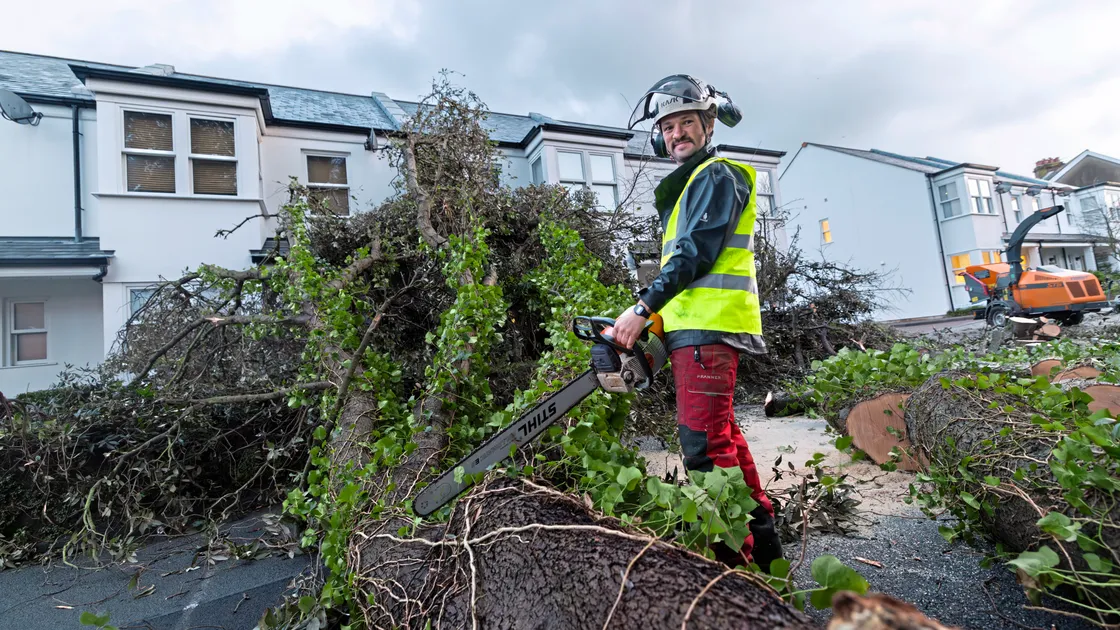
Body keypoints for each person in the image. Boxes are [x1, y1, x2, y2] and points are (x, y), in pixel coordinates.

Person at [612, 74, 783, 573]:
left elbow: (695, 254)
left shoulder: (717, 176)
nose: (676, 133)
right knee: (724, 439)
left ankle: (736, 574)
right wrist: (657, 323)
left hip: (709, 336)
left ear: (708, 125)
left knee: (704, 450)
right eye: (668, 127)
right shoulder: (692, 185)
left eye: (687, 122)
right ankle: (768, 562)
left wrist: (641, 309)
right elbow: (685, 268)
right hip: (696, 333)